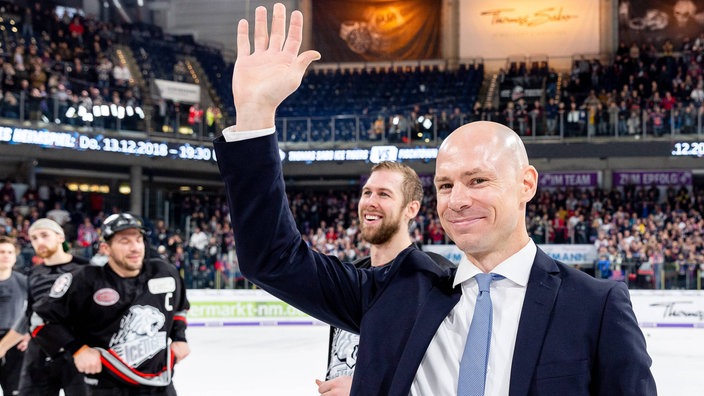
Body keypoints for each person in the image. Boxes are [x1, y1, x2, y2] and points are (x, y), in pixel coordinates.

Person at [213, 4, 656, 395]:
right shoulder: (398, 290)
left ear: (526, 184)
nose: (457, 200)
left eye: (478, 180)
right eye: (445, 185)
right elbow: (272, 258)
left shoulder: (595, 305)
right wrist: (255, 117)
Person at [314, 161, 454, 395]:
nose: (371, 201)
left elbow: (444, 381)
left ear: (411, 209)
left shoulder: (436, 279)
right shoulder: (352, 274)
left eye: (384, 194)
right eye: (367, 192)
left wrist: (364, 389)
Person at [32, 213, 190, 395]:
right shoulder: (85, 280)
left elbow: (181, 308)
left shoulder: (164, 272)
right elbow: (40, 320)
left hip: (160, 383)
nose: (135, 248)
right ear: (106, 248)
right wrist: (78, 350)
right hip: (106, 386)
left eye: (138, 240)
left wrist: (179, 337)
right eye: (124, 241)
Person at [0, 218, 89, 395]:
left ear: (60, 237)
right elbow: (29, 316)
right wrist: (2, 347)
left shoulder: (85, 269)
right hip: (39, 353)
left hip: (77, 352)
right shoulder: (33, 274)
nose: (39, 242)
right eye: (33, 238)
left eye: (44, 235)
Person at [0, 236, 28, 396]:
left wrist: (28, 335)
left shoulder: (23, 281)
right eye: (2, 252)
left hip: (14, 342)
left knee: (15, 391)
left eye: (10, 252)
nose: (6, 255)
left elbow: (37, 312)